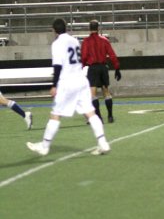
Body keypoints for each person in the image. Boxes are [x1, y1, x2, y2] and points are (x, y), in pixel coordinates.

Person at [27, 18, 110, 156]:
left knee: (55, 114)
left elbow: (58, 66)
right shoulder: (74, 40)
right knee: (90, 113)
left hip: (67, 82)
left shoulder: (57, 43)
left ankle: (45, 145)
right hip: (81, 80)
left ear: (54, 30)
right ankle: (103, 143)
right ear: (65, 28)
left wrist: (54, 85)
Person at [81, 19, 121, 123]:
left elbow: (84, 57)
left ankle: (99, 118)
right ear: (98, 28)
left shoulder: (86, 41)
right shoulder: (104, 40)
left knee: (93, 94)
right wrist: (117, 68)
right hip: (103, 67)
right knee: (106, 92)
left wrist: (82, 67)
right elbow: (112, 55)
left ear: (89, 29)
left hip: (93, 68)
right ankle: (110, 116)